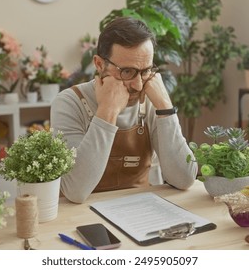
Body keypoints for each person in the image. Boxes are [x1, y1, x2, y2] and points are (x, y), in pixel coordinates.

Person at [51, 17, 197, 203]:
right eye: (127, 72)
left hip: (139, 212)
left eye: (145, 71)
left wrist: (165, 108)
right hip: (80, 218)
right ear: (99, 64)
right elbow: (75, 191)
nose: (137, 85)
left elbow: (184, 179)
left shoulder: (151, 100)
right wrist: (107, 110)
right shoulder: (69, 103)